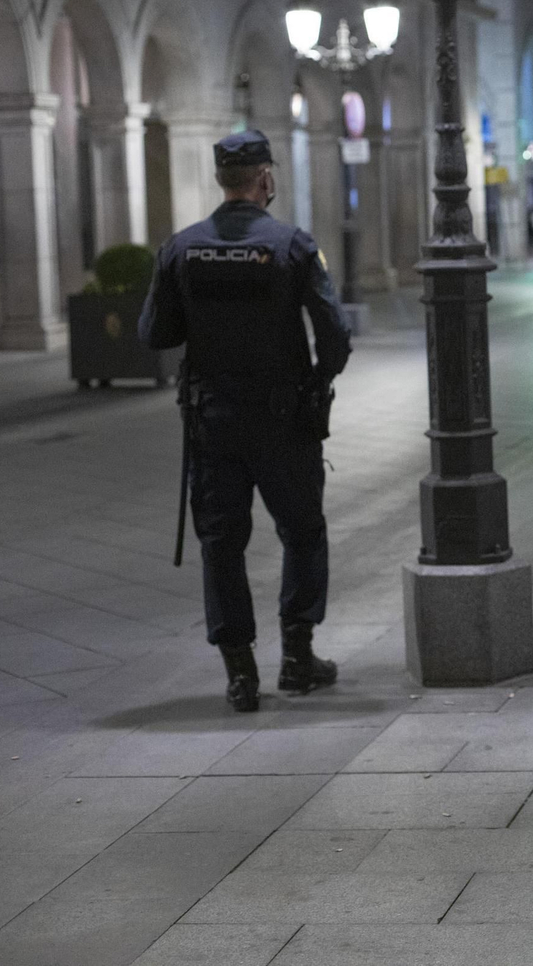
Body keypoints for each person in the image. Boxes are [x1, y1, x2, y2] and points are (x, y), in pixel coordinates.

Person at [139, 130, 352, 714]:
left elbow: (155, 333)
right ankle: (297, 658)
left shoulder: (182, 248)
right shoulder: (291, 245)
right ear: (264, 179)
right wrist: (319, 380)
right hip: (285, 421)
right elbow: (333, 332)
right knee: (302, 531)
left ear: (221, 181)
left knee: (221, 544)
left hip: (213, 423)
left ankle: (240, 676)